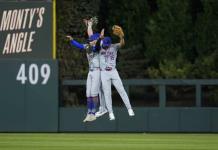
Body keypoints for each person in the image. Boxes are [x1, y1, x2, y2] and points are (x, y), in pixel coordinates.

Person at [99, 25, 135, 120]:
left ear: (110, 43)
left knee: (121, 90)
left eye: (107, 45)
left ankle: (129, 108)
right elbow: (97, 42)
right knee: (107, 93)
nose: (105, 47)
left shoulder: (114, 46)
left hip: (113, 71)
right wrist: (101, 37)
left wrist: (121, 37)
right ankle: (111, 112)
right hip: (104, 73)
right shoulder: (100, 46)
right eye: (104, 45)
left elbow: (122, 44)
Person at [66, 32, 101, 122]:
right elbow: (80, 46)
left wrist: (99, 38)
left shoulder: (99, 47)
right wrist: (72, 40)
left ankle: (93, 113)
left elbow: (96, 46)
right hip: (91, 71)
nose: (90, 41)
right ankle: (89, 113)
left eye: (92, 40)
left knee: (93, 93)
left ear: (96, 40)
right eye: (90, 40)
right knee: (88, 93)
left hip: (97, 71)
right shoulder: (88, 46)